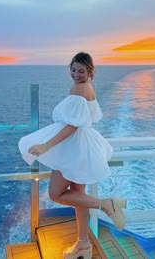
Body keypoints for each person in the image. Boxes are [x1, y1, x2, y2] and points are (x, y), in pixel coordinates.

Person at [18, 52, 127, 259]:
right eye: (74, 70)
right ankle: (83, 245)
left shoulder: (79, 89)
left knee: (55, 194)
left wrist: (46, 145)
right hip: (82, 147)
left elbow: (72, 126)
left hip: (72, 147)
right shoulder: (89, 87)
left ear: (90, 72)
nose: (76, 74)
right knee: (79, 197)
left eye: (81, 71)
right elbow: (85, 119)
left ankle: (105, 204)